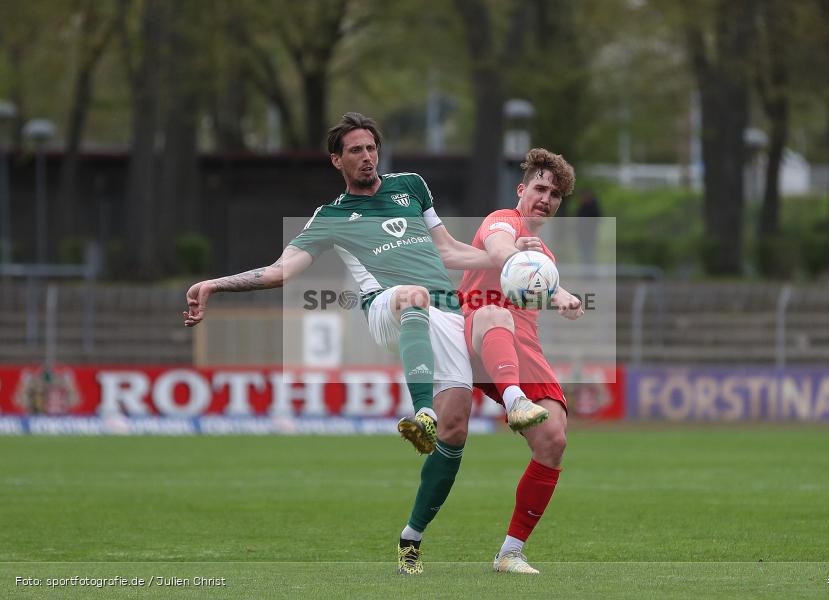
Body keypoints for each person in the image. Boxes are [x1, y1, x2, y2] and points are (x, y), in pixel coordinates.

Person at [182, 112, 547, 575]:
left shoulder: (411, 187)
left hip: (445, 313)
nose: (367, 156)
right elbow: (280, 272)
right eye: (355, 150)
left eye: (371, 147)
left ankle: (411, 537)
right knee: (412, 299)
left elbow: (450, 250)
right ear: (337, 160)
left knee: (456, 432)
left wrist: (512, 260)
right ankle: (422, 413)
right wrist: (214, 284)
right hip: (385, 308)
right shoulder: (330, 216)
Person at [458, 148, 583, 574]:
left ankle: (510, 553)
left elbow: (541, 283)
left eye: (555, 194)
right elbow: (498, 251)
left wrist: (561, 293)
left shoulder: (544, 256)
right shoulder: (502, 221)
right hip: (479, 332)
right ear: (522, 190)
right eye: (540, 188)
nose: (546, 198)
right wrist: (521, 256)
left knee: (554, 440)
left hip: (523, 348)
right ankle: (510, 401)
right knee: (494, 315)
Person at [575, 189, 601, 264]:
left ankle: (590, 271)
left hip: (589, 235)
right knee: (584, 255)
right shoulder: (582, 207)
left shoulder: (593, 208)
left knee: (589, 254)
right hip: (582, 236)